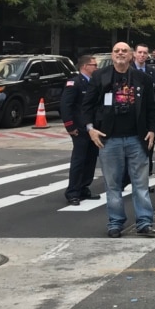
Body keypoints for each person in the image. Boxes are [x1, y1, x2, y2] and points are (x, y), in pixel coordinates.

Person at [82, 42, 155, 238]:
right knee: (112, 184)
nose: (120, 54)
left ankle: (144, 222)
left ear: (131, 55)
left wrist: (152, 130)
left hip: (136, 138)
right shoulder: (100, 76)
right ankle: (115, 223)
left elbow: (151, 108)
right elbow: (87, 106)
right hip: (109, 139)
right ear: (112, 55)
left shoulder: (143, 79)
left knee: (140, 184)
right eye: (117, 51)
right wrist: (90, 129)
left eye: (124, 51)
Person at [61, 54, 100, 205]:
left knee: (91, 159)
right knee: (79, 160)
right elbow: (66, 106)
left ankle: (84, 187)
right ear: (85, 66)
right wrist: (70, 126)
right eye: (94, 65)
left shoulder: (94, 83)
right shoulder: (75, 83)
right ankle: (73, 192)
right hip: (79, 128)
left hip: (92, 128)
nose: (96, 68)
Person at [134, 44, 155, 176]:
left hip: (150, 112)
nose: (142, 55)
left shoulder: (153, 72)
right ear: (135, 54)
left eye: (145, 53)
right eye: (140, 52)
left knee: (150, 142)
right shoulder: (129, 70)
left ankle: (151, 170)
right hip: (134, 114)